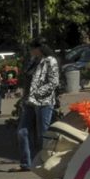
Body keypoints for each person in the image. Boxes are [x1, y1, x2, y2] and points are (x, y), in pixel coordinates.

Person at [17, 37, 60, 171]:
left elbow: (54, 82)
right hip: (29, 102)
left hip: (44, 101)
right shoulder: (33, 61)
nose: (30, 51)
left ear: (38, 49)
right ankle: (26, 163)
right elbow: (28, 80)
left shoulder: (50, 61)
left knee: (43, 133)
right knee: (22, 131)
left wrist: (37, 93)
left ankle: (46, 162)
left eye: (32, 48)